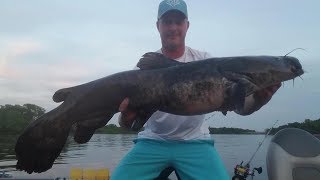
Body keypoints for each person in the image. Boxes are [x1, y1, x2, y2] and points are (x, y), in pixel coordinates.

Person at [111, 0, 281, 179]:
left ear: (187, 25)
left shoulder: (205, 60)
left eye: (178, 21)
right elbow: (124, 125)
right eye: (167, 21)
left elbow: (242, 108)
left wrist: (261, 98)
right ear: (158, 26)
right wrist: (125, 117)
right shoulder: (144, 70)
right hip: (153, 141)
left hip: (195, 141)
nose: (173, 27)